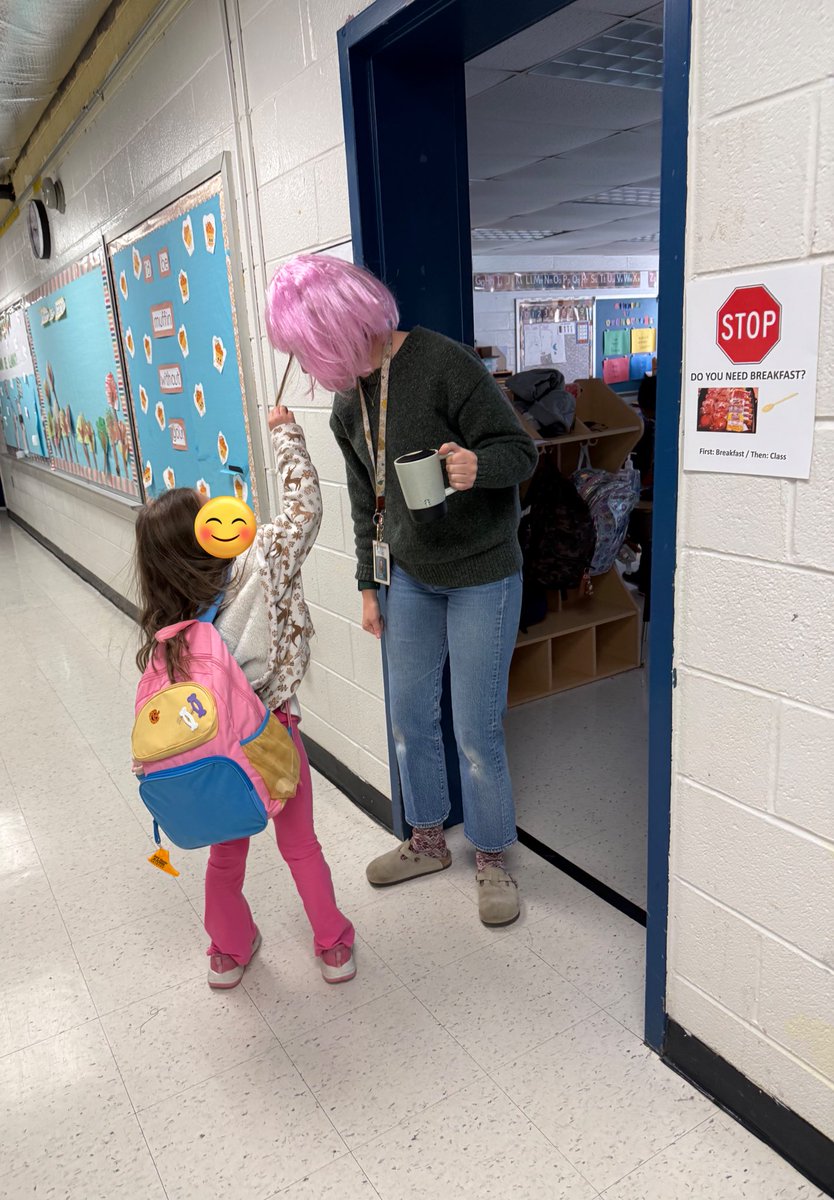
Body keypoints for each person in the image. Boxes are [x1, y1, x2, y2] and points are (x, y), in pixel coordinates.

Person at [264, 255, 537, 927]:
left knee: (476, 729)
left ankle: (493, 856)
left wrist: (478, 465)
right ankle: (425, 841)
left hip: (482, 571)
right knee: (410, 721)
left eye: (313, 347)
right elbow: (366, 502)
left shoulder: (444, 364)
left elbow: (521, 451)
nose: (312, 363)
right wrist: (366, 585)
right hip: (409, 577)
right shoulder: (346, 400)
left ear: (344, 321)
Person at [134, 402, 356, 989]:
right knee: (300, 844)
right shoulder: (260, 561)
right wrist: (284, 433)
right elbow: (305, 508)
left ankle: (228, 952)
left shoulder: (166, 622)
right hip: (272, 736)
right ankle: (333, 946)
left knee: (226, 857)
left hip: (214, 754)